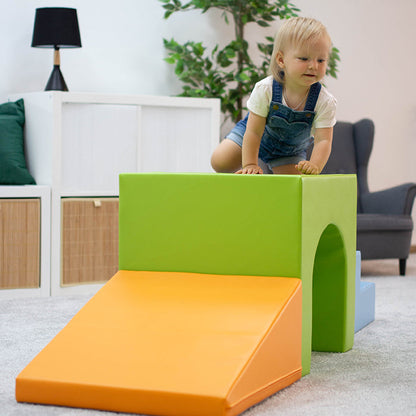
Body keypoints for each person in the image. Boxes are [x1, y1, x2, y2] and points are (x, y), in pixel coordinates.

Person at [211, 16, 337, 175]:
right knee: (219, 162)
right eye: (304, 58)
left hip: (289, 152)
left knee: (292, 188)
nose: (313, 66)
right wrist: (250, 164)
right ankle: (256, 163)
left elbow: (323, 140)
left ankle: (268, 168)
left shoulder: (325, 101)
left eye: (321, 60)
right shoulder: (265, 89)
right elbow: (254, 132)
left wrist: (315, 165)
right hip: (254, 134)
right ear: (281, 60)